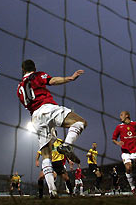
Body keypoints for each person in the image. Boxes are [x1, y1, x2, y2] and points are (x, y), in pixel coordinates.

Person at [17, 59, 87, 198]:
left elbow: (26, 103)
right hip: (47, 108)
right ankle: (67, 146)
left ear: (22, 70)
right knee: (80, 122)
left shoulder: (19, 87)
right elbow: (52, 81)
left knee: (46, 155)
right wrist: (70, 78)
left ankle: (52, 191)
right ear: (34, 68)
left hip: (35, 117)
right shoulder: (37, 75)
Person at [35, 131, 73, 197]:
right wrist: (37, 160)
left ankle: (71, 192)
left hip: (58, 162)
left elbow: (65, 152)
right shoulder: (45, 143)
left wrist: (69, 160)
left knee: (66, 178)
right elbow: (39, 152)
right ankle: (40, 195)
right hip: (48, 162)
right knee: (40, 177)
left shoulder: (60, 142)